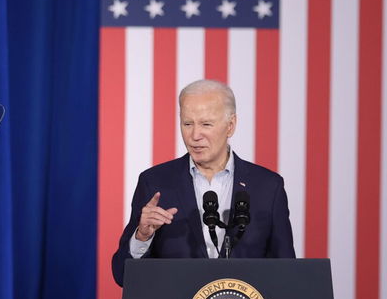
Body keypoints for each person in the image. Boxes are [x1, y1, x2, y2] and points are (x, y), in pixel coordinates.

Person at [111, 79, 295, 287]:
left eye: (206, 124)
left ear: (231, 125)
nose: (195, 135)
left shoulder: (268, 187)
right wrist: (142, 236)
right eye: (187, 124)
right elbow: (123, 275)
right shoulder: (155, 183)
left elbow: (286, 274)